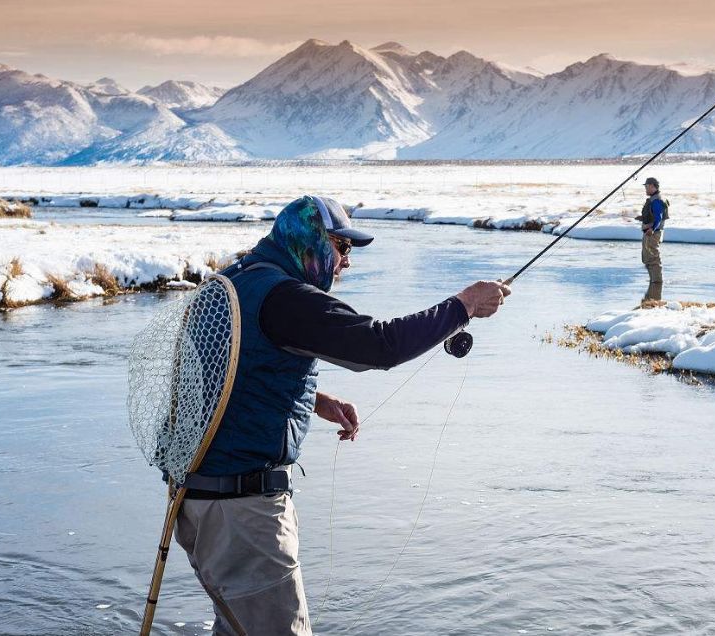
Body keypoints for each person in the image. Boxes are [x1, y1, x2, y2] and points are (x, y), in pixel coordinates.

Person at [173, 195, 510, 635]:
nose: (346, 262)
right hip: (242, 514)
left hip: (196, 502)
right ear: (309, 241)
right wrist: (461, 305)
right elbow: (378, 345)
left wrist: (314, 397)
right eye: (341, 247)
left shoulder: (234, 280)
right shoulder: (286, 297)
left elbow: (227, 367)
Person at [635, 177, 667, 302]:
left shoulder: (657, 200)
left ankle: (656, 283)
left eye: (647, 186)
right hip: (650, 233)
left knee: (653, 258)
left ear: (653, 186)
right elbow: (653, 215)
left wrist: (652, 229)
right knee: (647, 257)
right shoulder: (654, 199)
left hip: (653, 234)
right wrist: (643, 218)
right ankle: (653, 283)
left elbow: (658, 217)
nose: (645, 188)